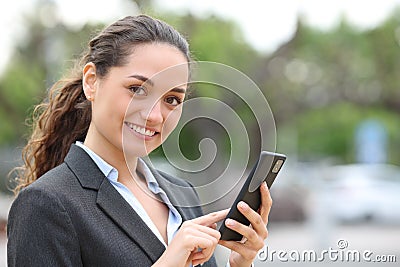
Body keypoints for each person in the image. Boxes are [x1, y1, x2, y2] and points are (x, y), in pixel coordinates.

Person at [7, 14, 272, 267]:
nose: (154, 115)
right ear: (91, 82)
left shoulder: (181, 193)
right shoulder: (46, 204)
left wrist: (240, 262)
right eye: (137, 89)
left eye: (171, 100)